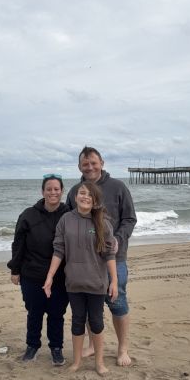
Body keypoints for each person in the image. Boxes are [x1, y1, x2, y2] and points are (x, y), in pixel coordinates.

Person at [66, 146, 137, 366]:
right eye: (85, 164)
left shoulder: (118, 187)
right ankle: (91, 345)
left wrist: (118, 238)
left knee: (117, 301)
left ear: (102, 163)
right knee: (89, 305)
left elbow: (130, 219)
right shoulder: (74, 191)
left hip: (114, 257)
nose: (90, 167)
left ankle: (122, 349)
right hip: (85, 262)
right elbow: (68, 222)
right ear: (79, 167)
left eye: (93, 163)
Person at [43, 181, 117, 375]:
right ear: (75, 197)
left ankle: (99, 362)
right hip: (74, 283)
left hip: (96, 283)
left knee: (96, 322)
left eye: (90, 195)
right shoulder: (65, 220)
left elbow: (109, 255)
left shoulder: (102, 222)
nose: (85, 197)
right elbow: (58, 250)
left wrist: (114, 281)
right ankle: (76, 362)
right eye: (82, 193)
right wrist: (50, 276)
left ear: (95, 200)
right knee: (77, 321)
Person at [8, 174, 70, 365]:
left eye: (56, 189)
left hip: (60, 276)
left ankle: (56, 348)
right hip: (32, 274)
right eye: (49, 189)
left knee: (56, 314)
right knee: (34, 312)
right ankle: (32, 346)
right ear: (42, 191)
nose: (53, 192)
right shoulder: (28, 215)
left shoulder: (69, 214)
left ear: (62, 191)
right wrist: (15, 270)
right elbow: (18, 244)